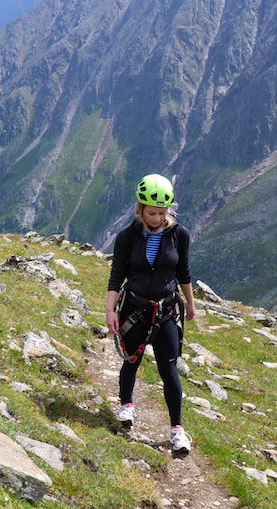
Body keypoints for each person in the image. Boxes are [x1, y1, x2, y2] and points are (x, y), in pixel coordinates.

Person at [105, 173, 196, 453]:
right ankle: (126, 406)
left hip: (166, 309)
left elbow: (183, 272)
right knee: (132, 359)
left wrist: (191, 303)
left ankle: (177, 430)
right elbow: (116, 275)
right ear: (140, 209)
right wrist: (110, 311)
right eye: (151, 213)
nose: (157, 218)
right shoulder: (127, 237)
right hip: (135, 308)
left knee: (169, 369)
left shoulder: (179, 235)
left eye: (162, 213)